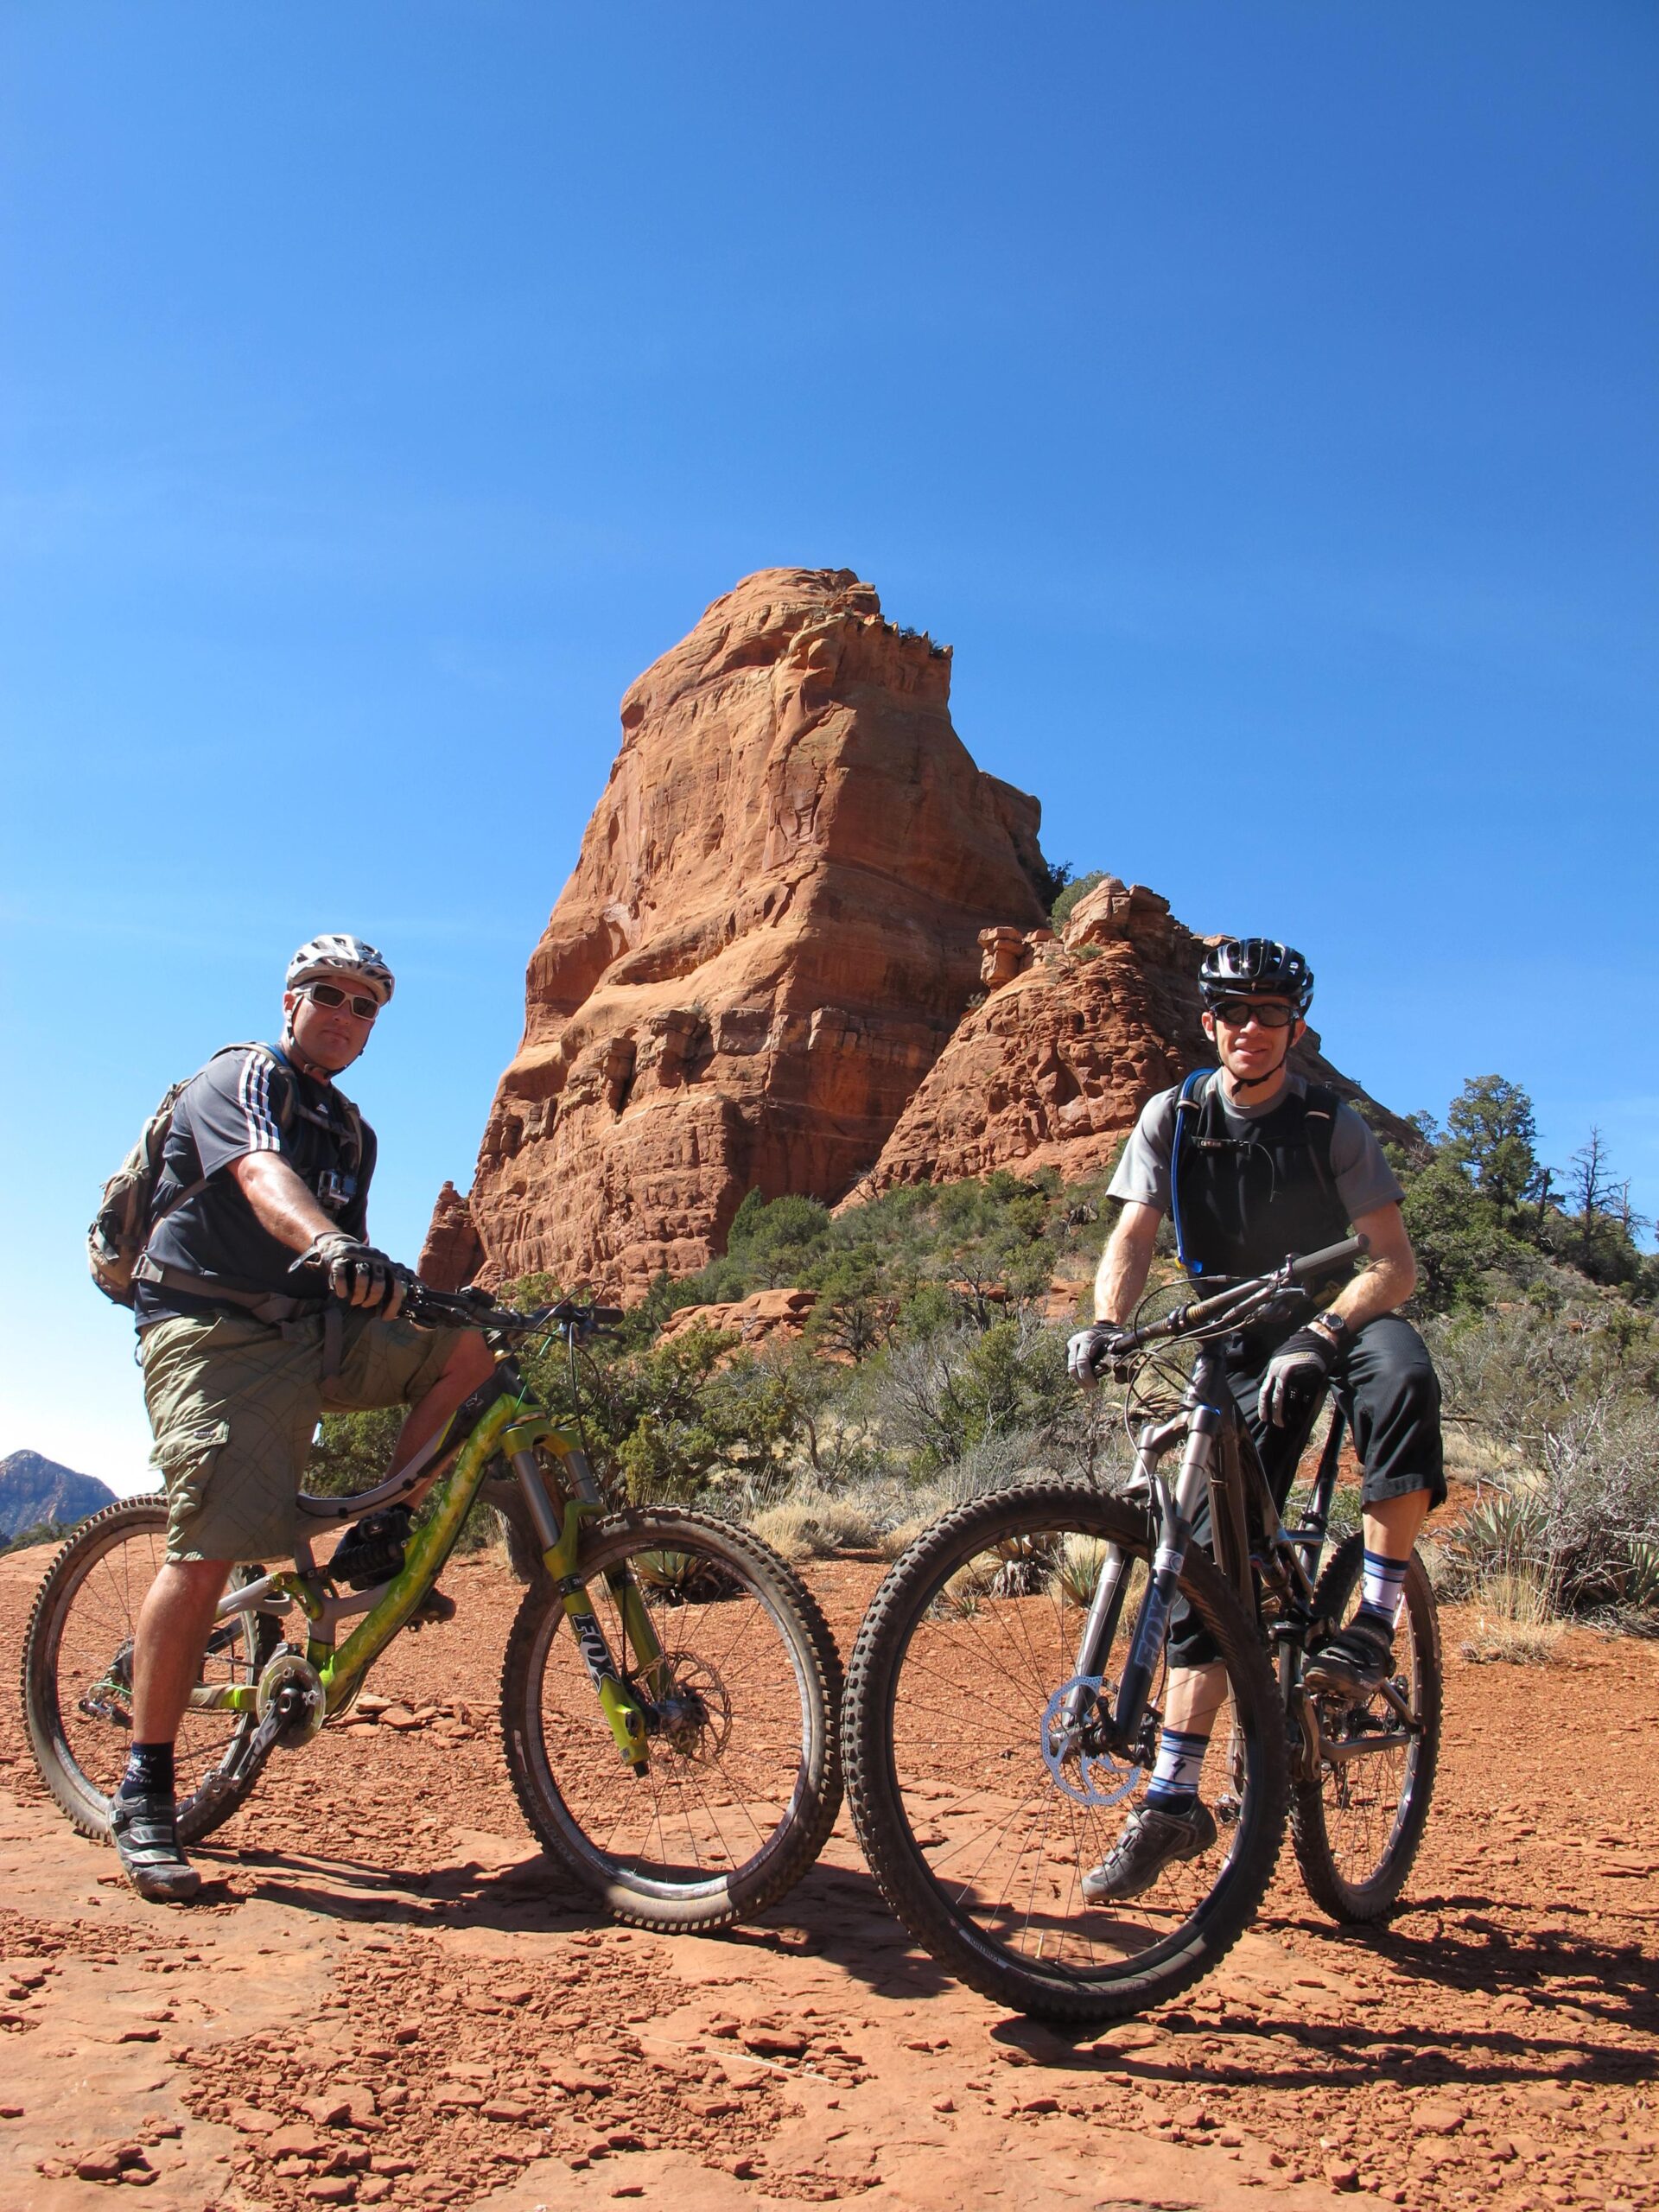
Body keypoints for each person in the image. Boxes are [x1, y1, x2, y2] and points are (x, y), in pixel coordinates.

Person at [114, 936, 494, 1902]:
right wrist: (332, 1244)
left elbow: (350, 1266)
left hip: (307, 1332)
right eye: (328, 993)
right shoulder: (239, 1076)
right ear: (290, 1001)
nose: (345, 1013)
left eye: (365, 1005)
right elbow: (259, 1181)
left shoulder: (352, 1132)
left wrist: (415, 1301)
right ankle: (144, 1791)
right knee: (207, 1548)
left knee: (470, 1358)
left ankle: (385, 1528)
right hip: (210, 1328)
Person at [1066, 938, 1444, 1904]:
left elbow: (1393, 1262)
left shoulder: (1331, 1121)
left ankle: (1371, 1621)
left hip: (1338, 1319)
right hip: (1233, 1334)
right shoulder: (1176, 1114)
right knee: (1206, 1558)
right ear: (1208, 1021)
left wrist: (1324, 1328)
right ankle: (1172, 1799)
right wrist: (1108, 1323)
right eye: (1235, 1010)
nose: (1251, 1027)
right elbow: (1135, 1232)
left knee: (1400, 1377)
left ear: (1296, 1025)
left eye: (1271, 1011)